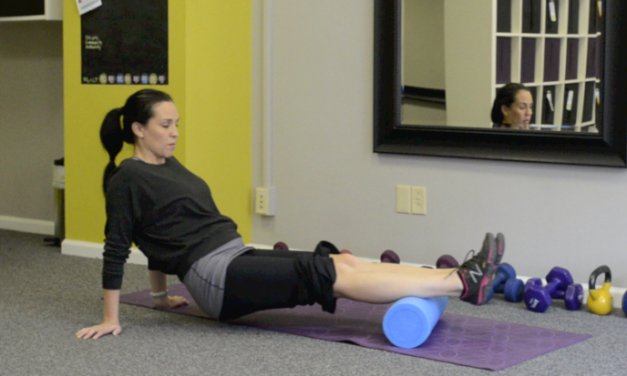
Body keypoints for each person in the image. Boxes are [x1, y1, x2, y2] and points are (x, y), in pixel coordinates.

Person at [76, 89, 506, 340]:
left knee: (341, 261)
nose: (174, 133)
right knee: (327, 278)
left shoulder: (165, 166)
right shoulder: (126, 179)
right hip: (215, 277)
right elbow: (119, 246)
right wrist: (111, 319)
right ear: (137, 129)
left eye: (176, 124)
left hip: (233, 254)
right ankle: (463, 283)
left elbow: (157, 236)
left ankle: (456, 276)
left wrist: (159, 297)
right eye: (165, 125)